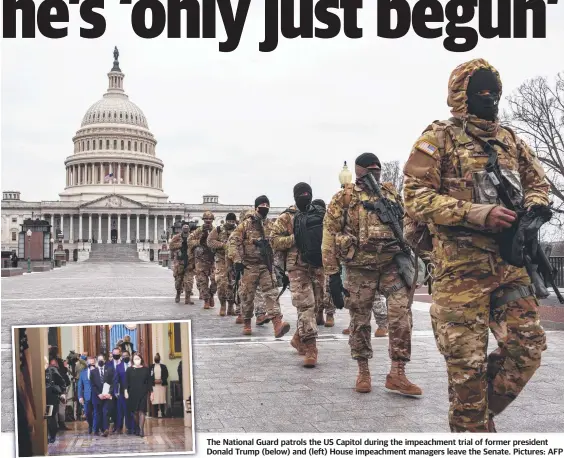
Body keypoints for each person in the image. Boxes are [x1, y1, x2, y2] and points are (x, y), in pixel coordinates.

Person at [402, 58, 549, 432]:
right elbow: (415, 196)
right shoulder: (439, 137)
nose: (488, 98)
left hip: (508, 266)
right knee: (466, 371)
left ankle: (473, 418)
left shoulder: (511, 140)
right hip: (459, 274)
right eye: (479, 92)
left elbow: (538, 183)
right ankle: (473, 427)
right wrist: (477, 213)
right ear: (461, 96)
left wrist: (535, 208)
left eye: (493, 92)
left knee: (528, 348)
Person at [322, 152, 422, 395]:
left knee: (401, 315)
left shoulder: (390, 194)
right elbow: (329, 236)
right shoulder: (343, 198)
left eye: (377, 168)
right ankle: (363, 370)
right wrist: (333, 275)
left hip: (390, 265)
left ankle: (398, 372)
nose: (374, 172)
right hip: (359, 268)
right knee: (360, 320)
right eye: (369, 169)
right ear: (358, 171)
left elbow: (407, 223)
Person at [271, 182, 324, 367]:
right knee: (305, 306)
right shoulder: (286, 217)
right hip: (297, 267)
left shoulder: (318, 213)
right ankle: (311, 348)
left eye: (307, 193)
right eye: (301, 194)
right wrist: (296, 238)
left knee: (317, 306)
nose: (305, 196)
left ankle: (298, 338)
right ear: (295, 197)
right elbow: (275, 240)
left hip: (317, 265)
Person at [228, 195, 291, 337]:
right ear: (256, 207)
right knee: (247, 296)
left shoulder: (270, 225)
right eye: (262, 205)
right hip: (248, 266)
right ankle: (247, 323)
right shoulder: (246, 224)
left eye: (267, 205)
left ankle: (277, 324)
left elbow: (277, 242)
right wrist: (237, 260)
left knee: (272, 293)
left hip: (265, 266)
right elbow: (233, 242)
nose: (265, 207)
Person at [207, 213, 238, 316]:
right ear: (226, 221)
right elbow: (210, 241)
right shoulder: (218, 230)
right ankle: (223, 305)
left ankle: (230, 306)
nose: (231, 223)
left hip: (234, 260)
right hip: (221, 259)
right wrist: (222, 245)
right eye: (229, 221)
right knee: (221, 282)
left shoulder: (238, 229)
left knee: (233, 284)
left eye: (233, 222)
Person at [189, 211, 218, 309]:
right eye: (206, 219)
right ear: (203, 220)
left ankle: (211, 294)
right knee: (203, 281)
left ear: (213, 220)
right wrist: (199, 242)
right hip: (201, 260)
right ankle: (206, 300)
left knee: (216, 280)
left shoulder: (216, 231)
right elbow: (189, 241)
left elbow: (221, 242)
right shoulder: (198, 231)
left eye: (210, 219)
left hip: (213, 260)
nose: (208, 221)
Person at [125, 354, 153, 437]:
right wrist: (125, 391)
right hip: (132, 393)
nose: (137, 360)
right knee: (135, 412)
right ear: (132, 360)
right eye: (135, 358)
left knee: (142, 411)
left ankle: (141, 429)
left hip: (143, 393)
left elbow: (149, 383)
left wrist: (151, 393)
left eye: (138, 358)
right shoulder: (129, 370)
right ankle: (137, 427)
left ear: (141, 359)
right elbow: (126, 382)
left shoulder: (146, 369)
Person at [169, 223, 195, 304]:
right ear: (182, 228)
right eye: (184, 227)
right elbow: (171, 246)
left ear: (189, 229)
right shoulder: (177, 237)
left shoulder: (192, 237)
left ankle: (187, 298)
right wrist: (181, 245)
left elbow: (197, 244)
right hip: (179, 262)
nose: (186, 228)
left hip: (190, 262)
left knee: (189, 281)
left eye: (187, 227)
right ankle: (178, 294)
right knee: (178, 281)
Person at [90, 354, 116, 437]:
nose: (101, 361)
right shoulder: (93, 372)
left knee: (105, 412)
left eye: (102, 360)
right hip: (97, 396)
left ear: (104, 361)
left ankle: (105, 429)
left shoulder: (110, 369)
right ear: (97, 361)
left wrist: (109, 393)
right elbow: (92, 385)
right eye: (99, 360)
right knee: (98, 413)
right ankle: (97, 430)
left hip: (107, 396)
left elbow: (112, 382)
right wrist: (99, 394)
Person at [45, 357, 67, 443]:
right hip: (42, 398)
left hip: (52, 397)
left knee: (51, 417)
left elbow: (62, 382)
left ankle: (52, 436)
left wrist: (63, 393)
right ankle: (46, 436)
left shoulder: (52, 371)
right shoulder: (37, 372)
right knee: (45, 418)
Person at [115, 351, 134, 434]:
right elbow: (116, 380)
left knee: (131, 410)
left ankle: (131, 427)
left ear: (129, 356)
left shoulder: (133, 365)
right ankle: (119, 427)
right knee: (121, 410)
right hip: (122, 391)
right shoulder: (119, 366)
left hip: (133, 391)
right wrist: (116, 391)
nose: (125, 357)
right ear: (121, 357)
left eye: (126, 355)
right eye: (123, 356)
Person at [77, 356, 95, 434]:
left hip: (97, 395)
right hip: (87, 396)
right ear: (87, 363)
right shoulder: (83, 373)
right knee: (88, 412)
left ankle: (95, 427)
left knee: (96, 413)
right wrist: (80, 396)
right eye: (89, 362)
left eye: (92, 363)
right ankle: (90, 425)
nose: (91, 364)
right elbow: (80, 385)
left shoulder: (97, 371)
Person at [105, 347, 122, 432]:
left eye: (117, 354)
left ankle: (119, 427)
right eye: (114, 354)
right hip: (111, 391)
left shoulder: (123, 364)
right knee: (112, 409)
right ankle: (113, 425)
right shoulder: (108, 364)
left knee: (120, 409)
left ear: (120, 354)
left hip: (121, 390)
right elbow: (106, 379)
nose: (115, 355)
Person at [150, 353, 169, 418]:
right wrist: (153, 381)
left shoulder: (163, 366)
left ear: (159, 359)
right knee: (155, 399)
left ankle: (163, 413)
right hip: (154, 385)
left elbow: (166, 375)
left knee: (162, 399)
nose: (157, 358)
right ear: (154, 359)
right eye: (156, 357)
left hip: (162, 385)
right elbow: (149, 375)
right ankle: (155, 414)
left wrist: (161, 380)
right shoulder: (151, 366)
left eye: (157, 357)